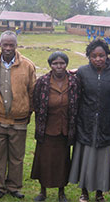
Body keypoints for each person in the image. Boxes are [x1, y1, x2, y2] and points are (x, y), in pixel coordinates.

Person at [69, 39, 110, 202]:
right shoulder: (83, 72)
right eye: (94, 56)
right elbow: (77, 96)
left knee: (102, 160)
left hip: (106, 123)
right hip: (85, 122)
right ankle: (84, 192)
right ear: (89, 57)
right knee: (84, 158)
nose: (98, 59)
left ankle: (100, 193)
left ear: (107, 55)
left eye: (101, 55)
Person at [0, 30, 36, 199]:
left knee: (17, 157)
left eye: (11, 45)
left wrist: (28, 113)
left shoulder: (27, 66)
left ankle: (14, 186)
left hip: (19, 121)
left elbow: (32, 92)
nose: (8, 48)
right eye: (5, 44)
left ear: (16, 45)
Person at [31, 52, 79, 202]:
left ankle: (61, 192)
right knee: (44, 161)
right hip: (46, 129)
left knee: (62, 162)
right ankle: (42, 192)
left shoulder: (74, 81)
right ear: (50, 65)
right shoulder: (43, 81)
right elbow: (35, 102)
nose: (59, 66)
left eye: (62, 63)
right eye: (55, 64)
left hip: (65, 129)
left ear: (66, 64)